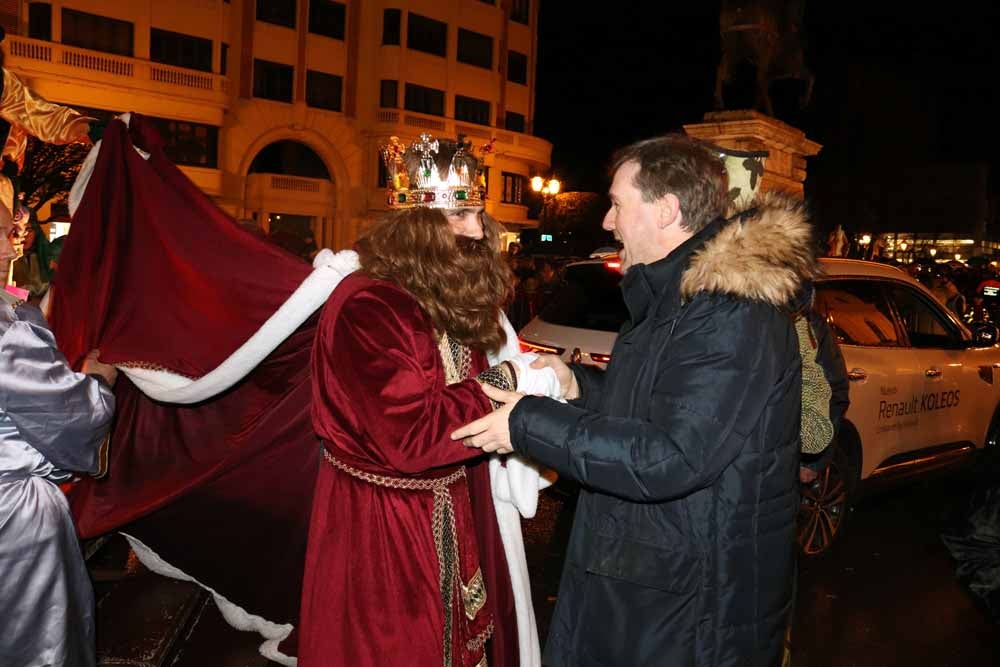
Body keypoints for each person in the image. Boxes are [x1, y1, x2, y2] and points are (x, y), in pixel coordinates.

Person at [454, 134, 819, 666]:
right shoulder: (677, 299)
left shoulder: (731, 312)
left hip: (689, 609)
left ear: (667, 210)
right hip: (650, 582)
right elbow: (656, 407)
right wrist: (579, 385)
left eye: (618, 204)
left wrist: (527, 423)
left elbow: (671, 455)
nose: (607, 222)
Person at [299, 135, 549, 666]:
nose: (479, 230)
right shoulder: (373, 305)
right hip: (384, 527)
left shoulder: (433, 294)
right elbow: (413, 438)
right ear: (417, 225)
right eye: (461, 214)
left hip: (443, 503)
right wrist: (512, 376)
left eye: (478, 213)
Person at [0, 208, 117, 666]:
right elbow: (69, 418)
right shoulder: (6, 332)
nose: (13, 248)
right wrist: (100, 381)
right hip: (13, 527)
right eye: (4, 234)